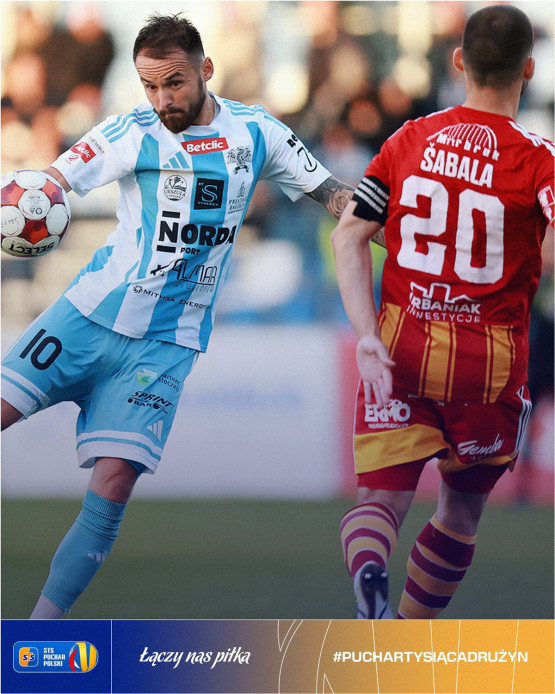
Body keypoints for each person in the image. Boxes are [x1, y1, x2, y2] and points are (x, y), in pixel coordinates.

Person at [1, 13, 362, 620]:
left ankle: (36, 637)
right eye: (150, 86)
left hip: (166, 344)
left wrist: (390, 227)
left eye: (174, 82)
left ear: (205, 70)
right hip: (85, 319)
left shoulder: (257, 132)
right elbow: (54, 181)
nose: (163, 99)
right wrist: (35, 196)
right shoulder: (131, 132)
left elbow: (331, 193)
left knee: (114, 484)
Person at [331, 4, 554, 619]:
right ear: (529, 69)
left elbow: (349, 237)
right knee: (459, 512)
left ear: (459, 60)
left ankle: (370, 575)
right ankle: (404, 637)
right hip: (490, 366)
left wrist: (366, 334)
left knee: (380, 500)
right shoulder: (539, 159)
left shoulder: (408, 140)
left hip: (401, 348)